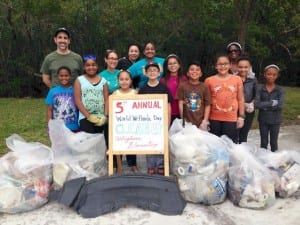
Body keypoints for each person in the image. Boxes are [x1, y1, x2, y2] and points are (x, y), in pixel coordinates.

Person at [138, 63, 172, 175]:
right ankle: (151, 165)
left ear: (158, 73)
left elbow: (168, 105)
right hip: (147, 122)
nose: (152, 72)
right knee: (149, 143)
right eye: (150, 71)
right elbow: (138, 106)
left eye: (155, 70)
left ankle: (161, 165)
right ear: (146, 73)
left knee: (161, 143)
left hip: (161, 121)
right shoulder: (143, 89)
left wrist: (168, 121)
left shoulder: (163, 87)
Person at [204, 54, 245, 143]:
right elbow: (206, 101)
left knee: (230, 145)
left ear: (230, 65)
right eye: (220, 64)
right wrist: (205, 119)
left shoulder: (237, 79)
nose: (223, 66)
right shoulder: (208, 80)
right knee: (214, 145)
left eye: (225, 63)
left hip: (231, 118)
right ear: (215, 66)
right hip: (213, 118)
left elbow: (241, 99)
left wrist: (241, 116)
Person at [73, 54, 109, 134]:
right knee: (89, 142)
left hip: (101, 118)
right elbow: (78, 100)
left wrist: (105, 116)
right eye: (88, 65)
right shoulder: (79, 80)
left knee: (101, 142)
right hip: (85, 117)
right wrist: (88, 116)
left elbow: (106, 99)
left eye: (93, 65)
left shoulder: (103, 81)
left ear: (97, 66)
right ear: (84, 67)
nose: (91, 67)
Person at [113, 70, 138, 172]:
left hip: (132, 123)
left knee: (132, 143)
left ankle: (133, 164)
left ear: (131, 81)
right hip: (119, 124)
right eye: (121, 79)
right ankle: (119, 165)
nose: (124, 81)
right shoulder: (115, 94)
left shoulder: (135, 93)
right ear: (118, 81)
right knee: (119, 143)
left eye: (127, 79)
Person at [255, 64, 284, 152]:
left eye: (274, 74)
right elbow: (257, 104)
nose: (271, 76)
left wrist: (264, 106)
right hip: (263, 120)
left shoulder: (280, 90)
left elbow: (280, 105)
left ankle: (274, 160)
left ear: (277, 75)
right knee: (263, 142)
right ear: (264, 74)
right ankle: (264, 160)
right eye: (269, 74)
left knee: (274, 142)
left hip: (275, 120)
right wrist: (272, 103)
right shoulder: (260, 89)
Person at [177, 61, 211, 130]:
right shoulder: (182, 86)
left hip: (200, 122)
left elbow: (208, 105)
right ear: (187, 73)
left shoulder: (205, 87)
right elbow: (181, 103)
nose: (194, 71)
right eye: (192, 69)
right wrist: (183, 119)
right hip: (186, 121)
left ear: (201, 74)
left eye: (197, 70)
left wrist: (205, 121)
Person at [45, 66, 79, 131]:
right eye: (61, 76)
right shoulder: (53, 91)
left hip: (74, 127)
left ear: (70, 76)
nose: (64, 78)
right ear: (58, 76)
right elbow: (49, 110)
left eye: (66, 75)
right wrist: (49, 125)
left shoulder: (76, 90)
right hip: (58, 128)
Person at [161, 54, 188, 123]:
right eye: (170, 64)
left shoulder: (184, 79)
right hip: (167, 112)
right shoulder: (163, 80)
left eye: (175, 63)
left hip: (181, 112)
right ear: (166, 67)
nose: (172, 65)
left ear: (179, 65)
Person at [237, 56, 258, 143]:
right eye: (240, 67)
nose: (243, 69)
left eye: (246, 67)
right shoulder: (233, 78)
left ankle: (242, 154)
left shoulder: (253, 80)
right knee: (234, 134)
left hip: (249, 111)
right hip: (235, 110)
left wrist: (251, 104)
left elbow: (257, 95)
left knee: (244, 135)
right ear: (237, 67)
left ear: (249, 67)